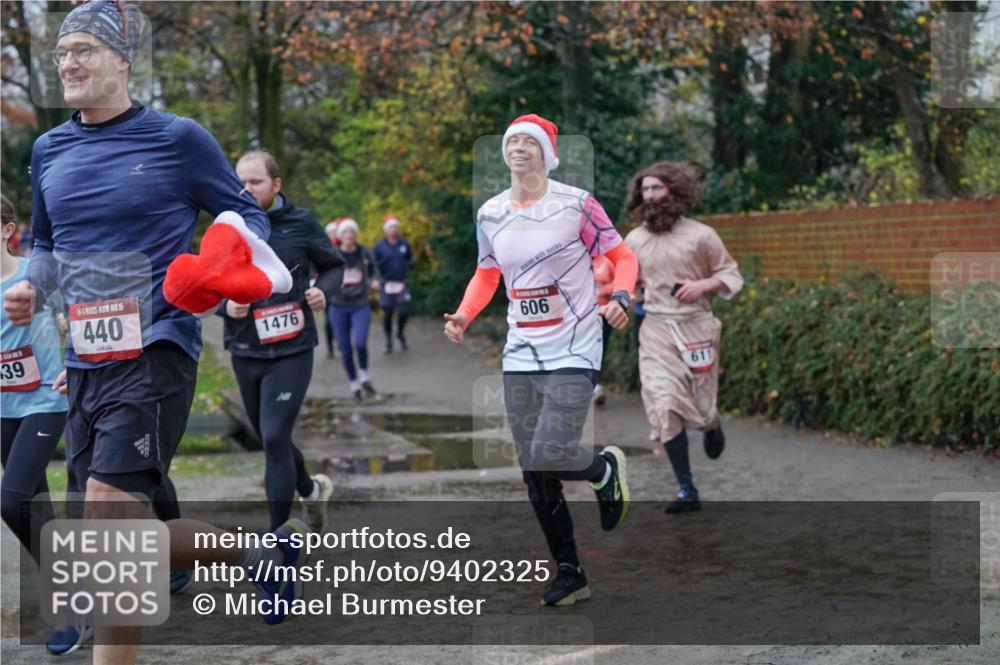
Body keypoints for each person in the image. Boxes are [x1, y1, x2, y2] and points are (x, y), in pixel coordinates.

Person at [4, 4, 314, 660]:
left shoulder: (178, 139)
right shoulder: (49, 149)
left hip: (155, 347)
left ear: (123, 60)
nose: (68, 64)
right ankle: (259, 551)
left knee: (106, 523)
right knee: (110, 548)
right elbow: (49, 244)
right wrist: (32, 282)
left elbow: (242, 214)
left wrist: (222, 262)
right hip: (85, 358)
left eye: (84, 50)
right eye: (62, 53)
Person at [443, 114, 638, 606]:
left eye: (531, 142)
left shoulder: (577, 205)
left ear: (548, 153)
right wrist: (464, 315)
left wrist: (622, 297)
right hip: (521, 351)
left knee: (551, 451)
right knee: (534, 469)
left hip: (575, 344)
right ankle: (570, 571)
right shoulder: (490, 213)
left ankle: (602, 472)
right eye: (513, 141)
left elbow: (625, 257)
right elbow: (487, 274)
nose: (520, 148)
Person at [224, 150, 339, 533]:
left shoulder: (300, 223)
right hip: (246, 348)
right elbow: (205, 286)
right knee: (272, 438)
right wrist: (226, 306)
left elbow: (334, 266)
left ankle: (279, 541)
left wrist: (324, 291)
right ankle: (309, 489)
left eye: (254, 182)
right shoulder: (227, 227)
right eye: (239, 181)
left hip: (292, 348)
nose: (245, 189)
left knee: (274, 436)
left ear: (276, 185)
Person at [624, 161, 743, 513]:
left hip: (697, 327)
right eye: (645, 189)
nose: (650, 196)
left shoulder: (702, 235)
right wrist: (624, 298)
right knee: (663, 402)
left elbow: (730, 273)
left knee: (702, 404)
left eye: (657, 188)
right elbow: (628, 284)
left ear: (675, 191)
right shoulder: (634, 239)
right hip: (657, 328)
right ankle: (686, 488)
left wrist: (702, 285)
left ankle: (711, 424)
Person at [1, 194, 68, 589]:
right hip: (4, 405)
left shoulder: (34, 275)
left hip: (45, 398)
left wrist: (75, 359)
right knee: (37, 507)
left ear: (8, 230)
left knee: (12, 501)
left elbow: (79, 317)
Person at [319, 218, 379, 401]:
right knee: (345, 349)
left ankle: (364, 376)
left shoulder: (363, 253)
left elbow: (375, 271)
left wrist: (375, 280)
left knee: (360, 343)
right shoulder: (333, 254)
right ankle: (354, 385)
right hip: (338, 306)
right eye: (345, 232)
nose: (349, 235)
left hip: (360, 304)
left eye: (352, 232)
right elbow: (320, 272)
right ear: (340, 236)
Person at [373, 215, 415, 353]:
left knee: (404, 312)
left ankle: (400, 333)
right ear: (386, 229)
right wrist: (376, 279)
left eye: (395, 227)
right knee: (388, 313)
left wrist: (411, 262)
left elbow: (410, 258)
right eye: (391, 227)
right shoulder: (379, 246)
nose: (393, 229)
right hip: (386, 284)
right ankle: (388, 340)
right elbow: (374, 265)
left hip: (402, 283)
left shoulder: (403, 243)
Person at [592, 254, 615, 405]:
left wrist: (602, 290)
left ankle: (597, 386)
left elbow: (620, 282)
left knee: (600, 349)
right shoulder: (577, 257)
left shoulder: (607, 261)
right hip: (583, 315)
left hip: (604, 313)